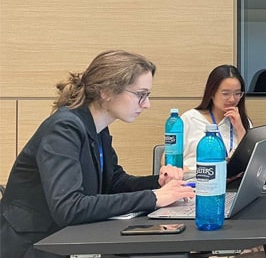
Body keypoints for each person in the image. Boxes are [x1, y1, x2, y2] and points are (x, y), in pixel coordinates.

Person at [0, 50, 195, 258]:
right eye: (141, 95)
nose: (147, 104)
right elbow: (69, 207)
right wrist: (153, 198)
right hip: (31, 246)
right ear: (107, 92)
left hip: (60, 240)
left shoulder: (96, 126)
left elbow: (114, 182)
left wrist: (158, 183)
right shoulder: (63, 128)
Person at [182, 64, 252, 173]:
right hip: (195, 180)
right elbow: (167, 158)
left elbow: (250, 160)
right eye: (225, 94)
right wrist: (182, 171)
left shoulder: (242, 121)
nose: (232, 99)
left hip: (231, 182)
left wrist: (240, 129)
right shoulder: (190, 119)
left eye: (237, 93)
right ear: (212, 93)